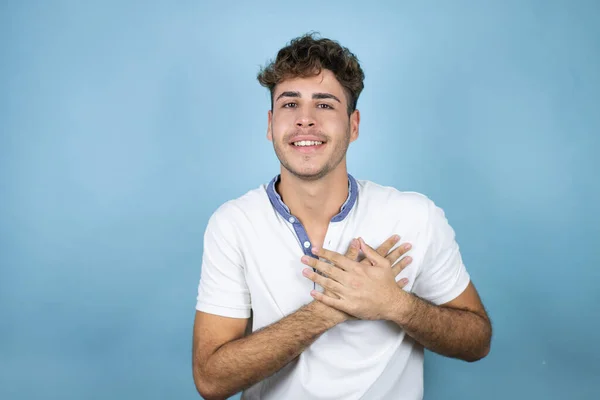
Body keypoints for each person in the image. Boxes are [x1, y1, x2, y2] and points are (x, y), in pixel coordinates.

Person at [191, 33, 492, 400]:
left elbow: (477, 340)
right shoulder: (233, 224)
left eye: (324, 105)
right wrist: (327, 311)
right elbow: (210, 380)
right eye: (289, 105)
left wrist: (397, 305)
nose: (304, 120)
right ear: (270, 125)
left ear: (353, 125)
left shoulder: (415, 216)